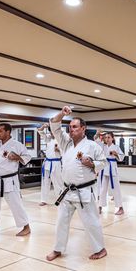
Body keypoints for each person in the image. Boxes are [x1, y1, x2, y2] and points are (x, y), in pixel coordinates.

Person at [46, 106, 107, 261]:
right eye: (70, 127)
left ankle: (100, 249)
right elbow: (54, 125)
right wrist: (62, 114)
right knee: (61, 222)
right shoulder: (65, 143)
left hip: (84, 191)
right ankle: (58, 249)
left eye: (74, 127)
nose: (71, 130)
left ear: (83, 129)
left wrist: (92, 164)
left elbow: (103, 162)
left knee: (91, 221)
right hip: (67, 191)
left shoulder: (92, 146)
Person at [0, 117, 32, 237]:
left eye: (0, 131)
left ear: (8, 132)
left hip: (10, 180)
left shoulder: (17, 145)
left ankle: (26, 227)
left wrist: (17, 158)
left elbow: (27, 157)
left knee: (16, 204)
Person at [98, 132, 125, 215]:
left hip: (112, 168)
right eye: (106, 137)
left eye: (109, 137)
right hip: (104, 168)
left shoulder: (116, 147)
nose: (107, 139)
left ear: (113, 138)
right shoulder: (103, 146)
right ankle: (100, 206)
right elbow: (96, 143)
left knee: (116, 189)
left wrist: (116, 154)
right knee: (102, 189)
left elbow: (121, 158)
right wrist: (98, 134)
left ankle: (120, 208)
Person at [37, 123, 63, 205]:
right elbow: (40, 131)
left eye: (53, 131)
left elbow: (66, 152)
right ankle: (43, 200)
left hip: (57, 163)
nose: (52, 133)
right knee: (45, 182)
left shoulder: (61, 140)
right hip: (47, 162)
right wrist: (43, 126)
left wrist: (59, 150)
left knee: (58, 182)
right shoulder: (48, 139)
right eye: (51, 132)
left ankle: (60, 199)